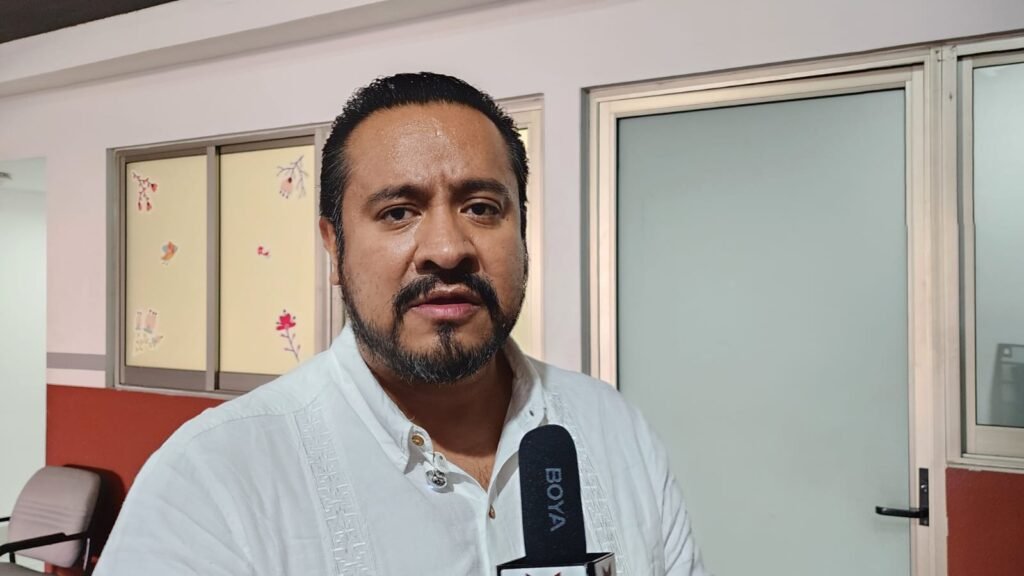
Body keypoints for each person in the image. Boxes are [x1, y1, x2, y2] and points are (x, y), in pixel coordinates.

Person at [95, 72, 708, 576]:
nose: (447, 248)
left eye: (481, 207)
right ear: (333, 247)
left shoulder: (613, 429)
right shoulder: (213, 479)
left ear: (523, 233)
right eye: (398, 212)